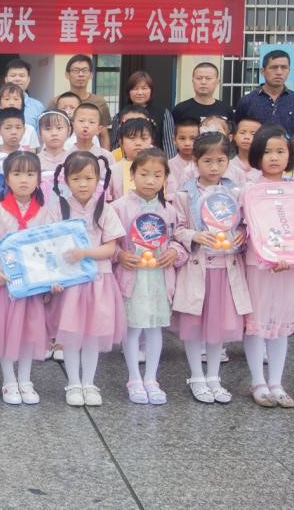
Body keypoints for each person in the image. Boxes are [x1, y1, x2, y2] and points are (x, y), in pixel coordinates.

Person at [243, 125, 294, 409]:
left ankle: (276, 382)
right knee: (257, 325)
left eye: (280, 151)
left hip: (292, 266)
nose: (274, 157)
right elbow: (244, 229)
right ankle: (258, 381)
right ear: (257, 155)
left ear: (290, 154)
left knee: (282, 326)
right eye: (267, 152)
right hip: (260, 265)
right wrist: (267, 255)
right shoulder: (247, 189)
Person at [172, 132, 251, 405]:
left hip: (226, 268)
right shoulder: (184, 195)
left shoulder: (236, 193)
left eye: (220, 161)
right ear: (195, 162)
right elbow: (177, 228)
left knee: (219, 326)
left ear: (228, 161)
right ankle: (196, 375)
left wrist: (242, 233)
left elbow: (246, 223)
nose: (214, 167)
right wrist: (193, 235)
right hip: (198, 268)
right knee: (194, 326)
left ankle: (214, 376)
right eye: (207, 161)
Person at [47, 151, 125, 407]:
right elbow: (50, 246)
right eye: (76, 178)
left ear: (98, 180)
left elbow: (110, 248)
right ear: (66, 180)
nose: (83, 184)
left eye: (89, 178)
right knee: (71, 335)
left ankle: (89, 383)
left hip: (98, 279)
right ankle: (73, 383)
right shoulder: (58, 208)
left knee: (92, 334)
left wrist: (84, 253)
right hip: (70, 282)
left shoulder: (105, 209)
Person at [111, 149, 187, 406]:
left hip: (158, 277)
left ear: (166, 178)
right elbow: (109, 242)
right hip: (132, 277)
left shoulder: (169, 210)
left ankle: (151, 378)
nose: (150, 180)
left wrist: (174, 252)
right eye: (144, 174)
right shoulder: (118, 208)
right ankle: (134, 378)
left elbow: (178, 240)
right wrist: (120, 255)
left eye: (157, 175)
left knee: (155, 327)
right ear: (132, 175)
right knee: (133, 328)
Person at [0, 151, 54, 405]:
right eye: (17, 173)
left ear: (39, 179)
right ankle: (9, 380)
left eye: (30, 174)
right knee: (4, 332)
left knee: (29, 333)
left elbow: (50, 248)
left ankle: (26, 379)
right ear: (6, 179)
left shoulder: (44, 211)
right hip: (3, 284)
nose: (24, 179)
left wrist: (49, 281)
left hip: (32, 286)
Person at [234, 50, 294, 130]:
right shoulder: (247, 101)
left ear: (289, 71)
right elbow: (238, 131)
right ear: (262, 71)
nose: (279, 72)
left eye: (284, 67)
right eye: (274, 67)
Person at [53, 55, 111, 148]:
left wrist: (105, 155)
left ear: (91, 75)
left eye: (84, 70)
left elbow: (104, 135)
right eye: (76, 70)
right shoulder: (56, 101)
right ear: (67, 75)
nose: (80, 74)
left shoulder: (100, 102)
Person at [120, 70, 176, 153]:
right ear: (129, 92)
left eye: (144, 88)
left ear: (151, 90)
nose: (140, 92)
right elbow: (116, 145)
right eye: (135, 88)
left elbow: (169, 143)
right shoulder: (120, 115)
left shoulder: (164, 113)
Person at [0, 59, 45, 131]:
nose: (17, 79)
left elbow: (42, 134)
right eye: (13, 75)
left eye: (22, 75)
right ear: (6, 79)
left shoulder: (38, 107)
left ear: (28, 80)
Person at [0, 83, 41, 153]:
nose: (12, 103)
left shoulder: (30, 130)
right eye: (7, 99)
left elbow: (32, 156)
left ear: (22, 104)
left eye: (16, 99)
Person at [173, 62, 234, 127]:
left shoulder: (226, 109)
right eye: (199, 78)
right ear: (193, 81)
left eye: (208, 78)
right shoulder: (180, 109)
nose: (203, 82)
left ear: (217, 82)